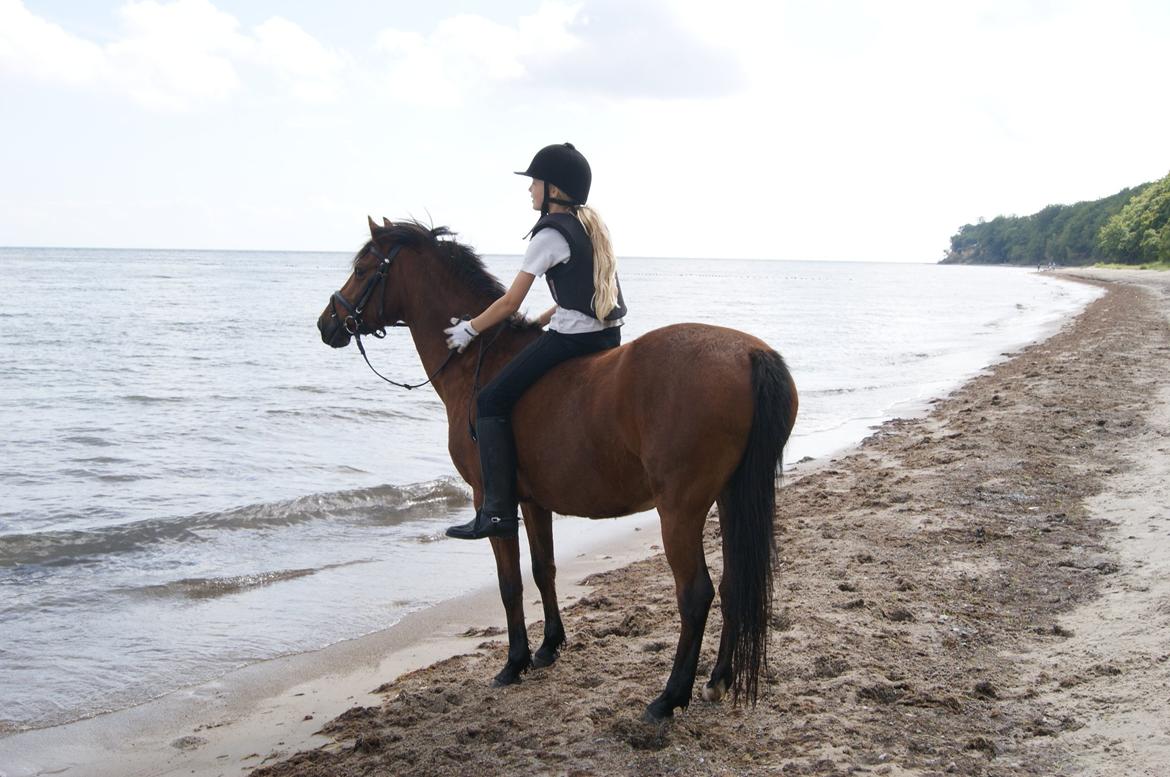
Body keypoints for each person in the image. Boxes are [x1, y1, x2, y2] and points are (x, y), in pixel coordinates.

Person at [443, 142, 628, 540]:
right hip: (607, 336)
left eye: (535, 183)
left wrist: (470, 328)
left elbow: (510, 301)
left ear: (554, 190)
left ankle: (495, 511)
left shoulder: (549, 235)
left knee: (490, 400)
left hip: (575, 342)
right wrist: (546, 317)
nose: (530, 190)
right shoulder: (590, 227)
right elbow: (581, 295)